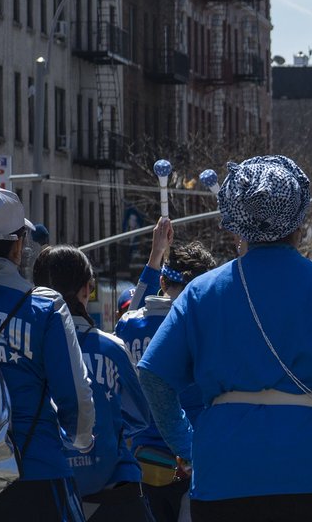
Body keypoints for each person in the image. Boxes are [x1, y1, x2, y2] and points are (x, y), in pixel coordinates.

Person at [137, 155, 312, 522]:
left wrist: (187, 443)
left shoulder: (201, 293)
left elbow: (154, 376)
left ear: (236, 223)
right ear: (299, 221)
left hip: (226, 475)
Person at [0, 186, 95, 521]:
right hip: (35, 468)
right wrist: (81, 439)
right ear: (18, 245)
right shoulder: (45, 306)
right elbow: (75, 394)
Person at [34, 245, 154, 522]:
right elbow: (140, 415)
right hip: (116, 489)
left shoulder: (30, 350)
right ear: (87, 289)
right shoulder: (112, 347)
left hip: (49, 488)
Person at [115, 218, 217, 522]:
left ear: (163, 282)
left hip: (143, 463)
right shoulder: (201, 326)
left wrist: (155, 256)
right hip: (194, 460)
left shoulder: (128, 325)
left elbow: (134, 308)